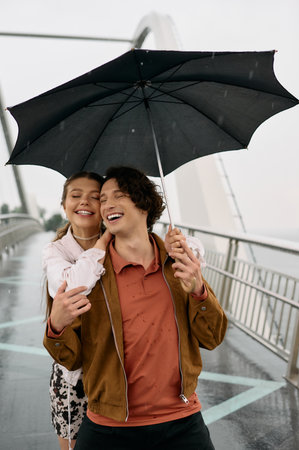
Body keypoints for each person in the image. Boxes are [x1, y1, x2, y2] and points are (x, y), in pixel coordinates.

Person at [44, 166, 227, 450]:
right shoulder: (91, 275)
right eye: (103, 199)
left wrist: (200, 292)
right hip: (109, 427)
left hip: (182, 420)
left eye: (118, 195)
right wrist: (56, 327)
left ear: (143, 203)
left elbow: (212, 337)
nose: (106, 205)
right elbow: (70, 358)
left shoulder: (178, 265)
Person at [42, 171, 111, 450]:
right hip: (73, 374)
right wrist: (103, 244)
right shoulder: (54, 250)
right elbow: (73, 286)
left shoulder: (125, 243)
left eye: (95, 197)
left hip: (114, 369)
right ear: (63, 205)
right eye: (76, 195)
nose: (85, 202)